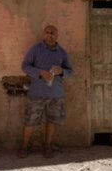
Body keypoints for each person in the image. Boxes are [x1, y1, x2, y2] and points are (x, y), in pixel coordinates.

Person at [19, 25, 73, 158]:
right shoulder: (36, 49)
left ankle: (47, 146)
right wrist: (40, 72)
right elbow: (24, 66)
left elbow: (70, 71)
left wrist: (62, 71)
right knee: (30, 121)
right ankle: (24, 147)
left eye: (53, 33)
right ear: (44, 34)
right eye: (47, 32)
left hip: (56, 94)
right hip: (37, 93)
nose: (50, 35)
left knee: (52, 121)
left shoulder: (62, 52)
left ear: (57, 35)